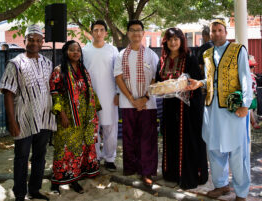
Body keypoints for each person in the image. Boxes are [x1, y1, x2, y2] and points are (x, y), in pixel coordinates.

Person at [186, 19, 253, 201]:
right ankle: (222, 185)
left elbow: (246, 78)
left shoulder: (238, 50)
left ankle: (241, 193)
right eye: (213, 31)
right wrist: (199, 83)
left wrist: (245, 104)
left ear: (226, 32)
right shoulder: (207, 54)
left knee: (237, 152)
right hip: (211, 110)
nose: (216, 33)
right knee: (215, 149)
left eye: (220, 30)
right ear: (209, 34)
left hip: (233, 110)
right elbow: (212, 81)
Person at [0, 24, 56, 201]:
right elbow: (8, 93)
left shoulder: (48, 63)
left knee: (40, 157)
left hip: (45, 119)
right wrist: (12, 122)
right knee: (21, 158)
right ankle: (19, 194)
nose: (34, 43)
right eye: (31, 39)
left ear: (42, 43)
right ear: (24, 41)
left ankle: (34, 189)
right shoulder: (15, 64)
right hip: (24, 119)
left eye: (38, 40)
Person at [155, 28, 208, 189]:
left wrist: (183, 85)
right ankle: (172, 174)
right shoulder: (162, 60)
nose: (173, 42)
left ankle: (189, 175)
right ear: (165, 42)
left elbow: (197, 82)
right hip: (169, 107)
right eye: (170, 39)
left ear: (181, 41)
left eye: (176, 39)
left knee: (188, 139)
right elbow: (158, 81)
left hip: (188, 108)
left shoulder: (189, 58)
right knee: (171, 137)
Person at [49, 40, 101, 194]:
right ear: (65, 52)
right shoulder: (59, 70)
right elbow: (55, 93)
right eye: (72, 50)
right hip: (67, 118)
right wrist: (62, 114)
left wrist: (93, 112)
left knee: (78, 149)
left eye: (78, 50)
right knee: (62, 150)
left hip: (83, 118)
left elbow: (90, 91)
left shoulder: (83, 71)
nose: (76, 52)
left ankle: (74, 180)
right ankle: (56, 181)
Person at [114, 20, 159, 186]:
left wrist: (144, 98)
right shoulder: (121, 55)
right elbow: (118, 77)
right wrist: (133, 100)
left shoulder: (151, 55)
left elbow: (155, 78)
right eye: (132, 30)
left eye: (138, 30)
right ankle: (130, 168)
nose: (135, 33)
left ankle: (146, 172)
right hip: (128, 103)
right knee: (129, 137)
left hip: (148, 103)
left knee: (147, 138)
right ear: (127, 33)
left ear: (143, 33)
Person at [82, 20, 119, 171]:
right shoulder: (84, 50)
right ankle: (95, 157)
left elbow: (118, 73)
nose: (98, 33)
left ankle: (109, 158)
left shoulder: (113, 50)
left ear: (106, 33)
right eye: (95, 30)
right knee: (93, 129)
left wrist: (117, 92)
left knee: (110, 128)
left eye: (101, 30)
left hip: (110, 96)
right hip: (90, 96)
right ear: (91, 32)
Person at [248, 55, 260, 129]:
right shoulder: (248, 75)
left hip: (253, 92)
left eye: (252, 67)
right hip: (249, 93)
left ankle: (253, 121)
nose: (252, 68)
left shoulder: (252, 75)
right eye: (250, 67)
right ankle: (253, 121)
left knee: (252, 106)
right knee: (250, 107)